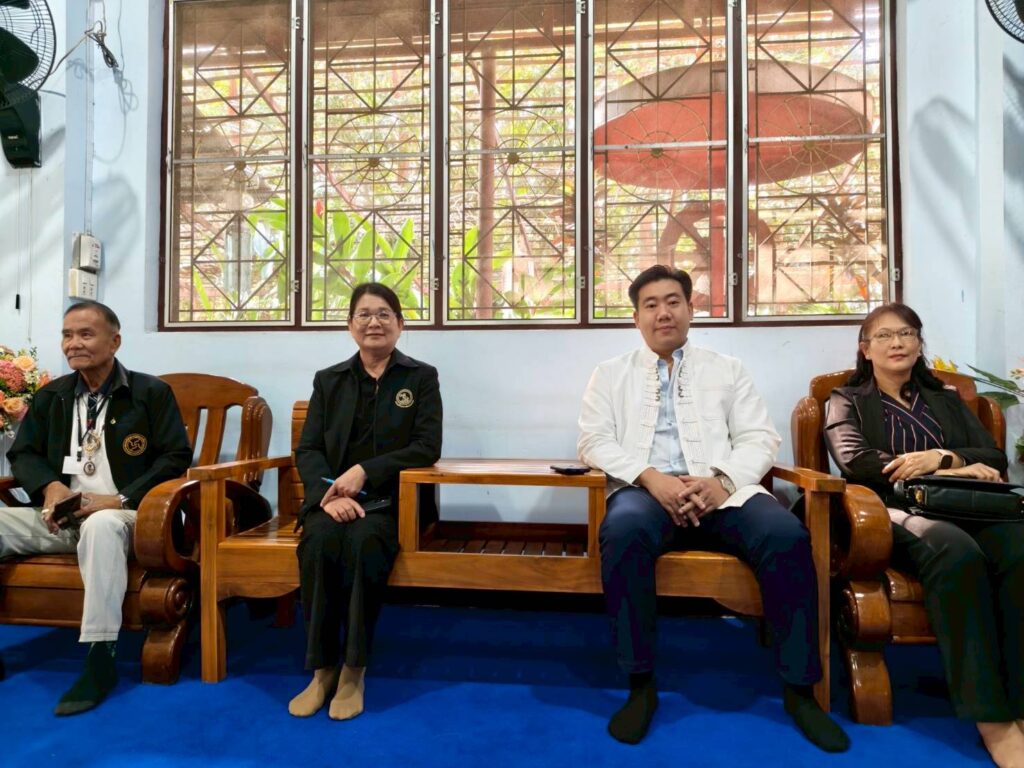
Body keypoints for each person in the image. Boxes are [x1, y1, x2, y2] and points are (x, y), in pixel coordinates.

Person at [577, 265, 848, 751]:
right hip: (646, 491)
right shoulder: (610, 373)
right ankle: (640, 684)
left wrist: (721, 482)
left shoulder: (727, 369)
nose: (663, 313)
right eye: (651, 305)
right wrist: (651, 477)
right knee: (622, 532)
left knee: (786, 535)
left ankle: (800, 690)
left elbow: (759, 438)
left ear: (691, 308)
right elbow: (593, 441)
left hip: (724, 493)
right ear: (636, 317)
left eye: (673, 301)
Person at [824, 302, 1024, 767]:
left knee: (1019, 548)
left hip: (965, 505)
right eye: (884, 335)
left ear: (918, 344)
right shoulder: (846, 399)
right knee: (955, 552)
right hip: (889, 510)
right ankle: (991, 718)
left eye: (907, 334)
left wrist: (943, 458)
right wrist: (943, 469)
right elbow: (856, 462)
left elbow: (992, 456)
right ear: (865, 349)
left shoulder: (945, 398)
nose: (897, 343)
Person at [0, 300, 192, 715]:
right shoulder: (52, 396)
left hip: (130, 518)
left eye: (85, 334)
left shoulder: (150, 393)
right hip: (61, 517)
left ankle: (100, 657)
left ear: (115, 341)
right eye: (67, 335)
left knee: (101, 525)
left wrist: (118, 499)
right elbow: (24, 454)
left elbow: (174, 458)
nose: (74, 343)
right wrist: (51, 487)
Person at [289, 282, 442, 721]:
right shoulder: (329, 380)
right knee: (319, 542)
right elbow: (309, 449)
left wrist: (365, 472)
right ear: (350, 325)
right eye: (364, 314)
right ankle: (322, 670)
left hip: (392, 504)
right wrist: (325, 497)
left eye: (384, 314)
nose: (374, 322)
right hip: (332, 500)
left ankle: (354, 670)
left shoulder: (420, 377)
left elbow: (426, 446)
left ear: (400, 324)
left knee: (363, 543)